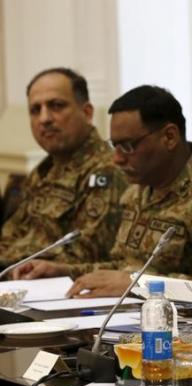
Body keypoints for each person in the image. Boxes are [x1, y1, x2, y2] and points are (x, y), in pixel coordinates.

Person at [14, 85, 192, 297]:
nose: (116, 159)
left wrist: (136, 284)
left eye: (127, 146)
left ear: (169, 137)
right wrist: (63, 271)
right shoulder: (139, 189)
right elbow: (123, 267)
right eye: (114, 145)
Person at [0, 68, 127, 269]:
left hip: (58, 289)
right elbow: (11, 235)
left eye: (56, 106)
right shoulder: (45, 169)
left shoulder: (105, 171)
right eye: (35, 110)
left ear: (87, 113)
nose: (44, 118)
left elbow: (85, 254)